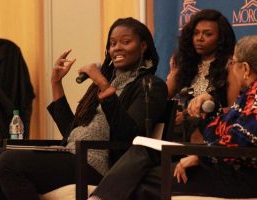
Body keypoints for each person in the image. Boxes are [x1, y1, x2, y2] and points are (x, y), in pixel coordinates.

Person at [0, 17, 168, 200]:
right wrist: (56, 84)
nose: (117, 48)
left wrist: (102, 84)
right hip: (72, 154)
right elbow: (71, 132)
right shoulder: (105, 83)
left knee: (10, 163)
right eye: (113, 43)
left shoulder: (150, 85)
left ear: (143, 46)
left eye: (126, 42)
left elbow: (129, 135)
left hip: (101, 166)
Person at [89, 34, 257, 200]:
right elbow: (219, 132)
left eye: (233, 63)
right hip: (226, 168)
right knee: (146, 152)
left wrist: (200, 156)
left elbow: (242, 138)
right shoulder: (248, 95)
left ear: (246, 69)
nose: (231, 68)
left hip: (241, 177)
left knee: (141, 178)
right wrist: (211, 109)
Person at [165, 9, 239, 142]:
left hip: (214, 135)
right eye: (196, 33)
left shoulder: (231, 65)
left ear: (221, 39)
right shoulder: (185, 63)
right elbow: (162, 96)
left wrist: (188, 116)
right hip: (181, 134)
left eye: (208, 34)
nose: (200, 38)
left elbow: (233, 110)